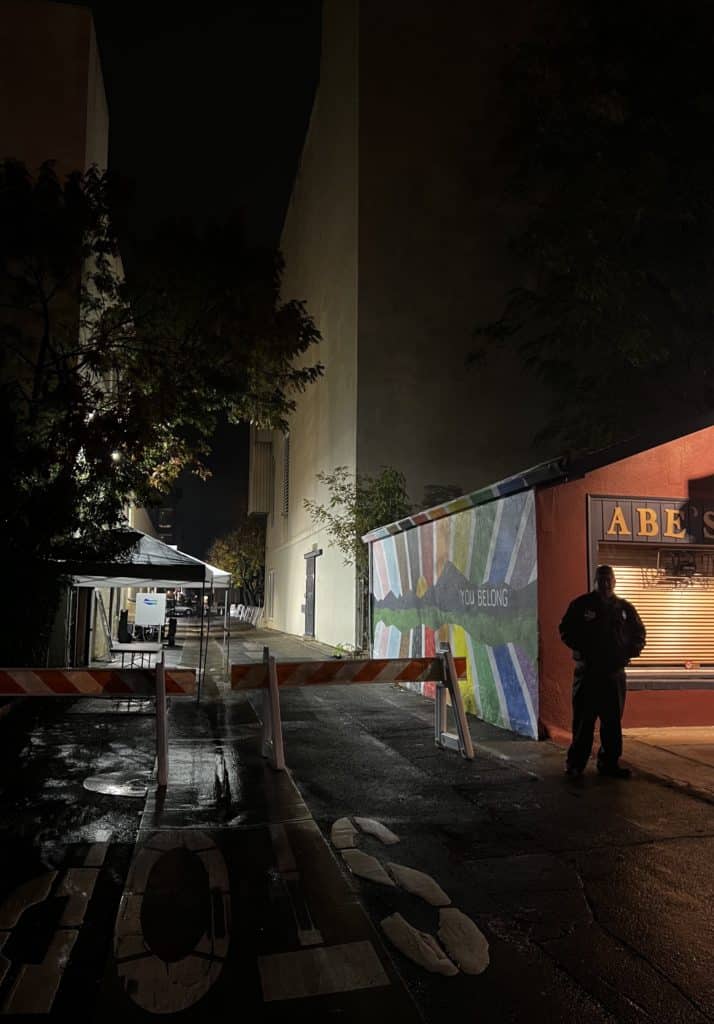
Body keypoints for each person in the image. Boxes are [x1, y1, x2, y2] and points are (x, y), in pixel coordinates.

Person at [559, 565, 646, 779]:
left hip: (613, 675)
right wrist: (583, 650)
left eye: (609, 580)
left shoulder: (624, 608)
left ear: (614, 582)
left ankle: (609, 764)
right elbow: (566, 630)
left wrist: (628, 652)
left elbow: (639, 634)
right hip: (587, 674)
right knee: (583, 722)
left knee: (612, 722)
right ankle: (575, 764)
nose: (605, 584)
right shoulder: (581, 605)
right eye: (601, 579)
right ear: (595, 581)